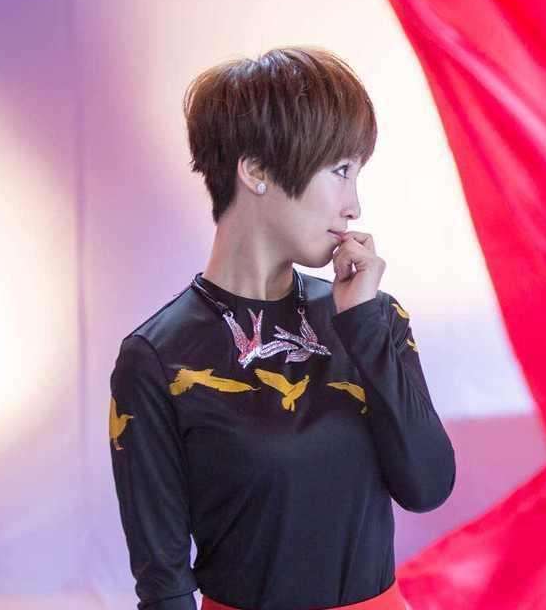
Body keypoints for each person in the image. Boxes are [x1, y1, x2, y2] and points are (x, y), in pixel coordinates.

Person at [109, 47, 455, 610]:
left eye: (357, 174)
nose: (353, 205)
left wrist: (364, 326)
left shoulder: (371, 317)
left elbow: (427, 487)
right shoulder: (157, 358)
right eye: (340, 171)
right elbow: (164, 584)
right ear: (257, 171)